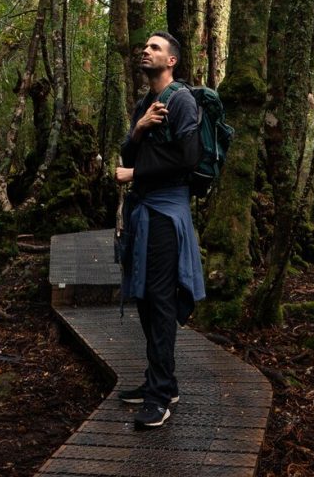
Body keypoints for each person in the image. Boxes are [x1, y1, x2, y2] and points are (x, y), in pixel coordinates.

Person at [115, 31, 206, 429]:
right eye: (145, 47)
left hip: (167, 214)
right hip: (142, 213)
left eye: (155, 48)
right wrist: (138, 130)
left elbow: (188, 159)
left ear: (172, 61)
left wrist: (135, 171)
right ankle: (160, 381)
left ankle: (160, 398)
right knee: (145, 300)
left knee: (160, 299)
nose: (145, 51)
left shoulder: (182, 100)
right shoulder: (144, 103)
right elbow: (127, 150)